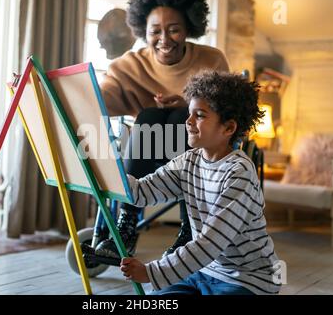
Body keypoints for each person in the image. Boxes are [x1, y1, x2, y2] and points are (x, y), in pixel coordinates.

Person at [119, 71, 281, 295]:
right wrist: (107, 173)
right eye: (189, 113)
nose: (188, 121)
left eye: (200, 115)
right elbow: (141, 192)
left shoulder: (239, 173)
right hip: (203, 270)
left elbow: (210, 243)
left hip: (247, 280)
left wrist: (151, 272)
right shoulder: (189, 161)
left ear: (228, 128)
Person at [96, 0, 230, 259]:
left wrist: (191, 105)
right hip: (148, 150)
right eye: (155, 31)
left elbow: (228, 109)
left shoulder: (211, 60)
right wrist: (47, 86)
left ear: (189, 28)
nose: (164, 39)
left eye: (174, 30)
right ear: (143, 31)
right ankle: (127, 225)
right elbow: (101, 98)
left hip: (195, 151)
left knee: (182, 115)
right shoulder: (129, 65)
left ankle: (190, 228)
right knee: (147, 116)